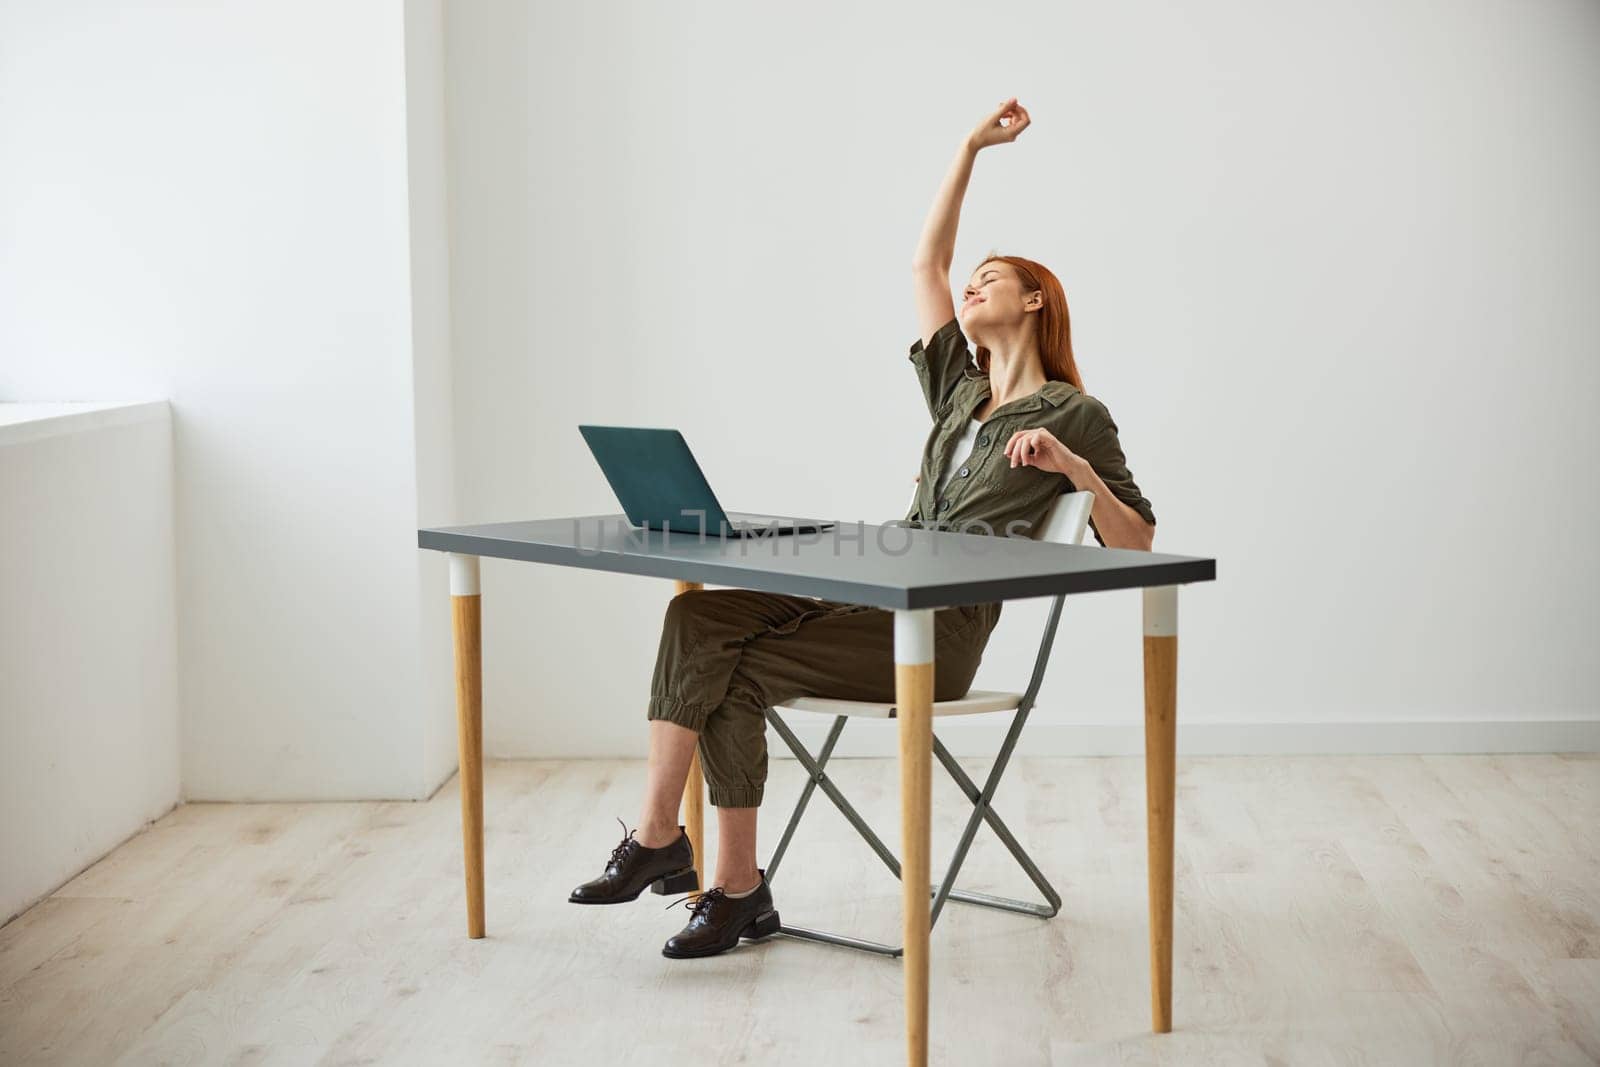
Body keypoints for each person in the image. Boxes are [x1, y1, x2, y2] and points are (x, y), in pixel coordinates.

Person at [568, 97, 1158, 959]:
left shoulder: (1077, 412)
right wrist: (968, 149)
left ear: (1036, 299)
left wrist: (1073, 470)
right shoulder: (961, 390)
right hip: (871, 594)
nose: (970, 286)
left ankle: (724, 884)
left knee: (729, 674)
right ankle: (680, 846)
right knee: (696, 619)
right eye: (974, 279)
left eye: (992, 278)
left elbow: (1137, 539)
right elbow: (926, 261)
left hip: (940, 634)